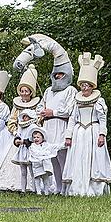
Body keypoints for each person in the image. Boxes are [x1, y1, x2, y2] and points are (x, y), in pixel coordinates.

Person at [62, 53, 111, 197]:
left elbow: (103, 119)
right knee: (78, 158)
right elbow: (72, 119)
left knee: (94, 158)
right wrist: (68, 135)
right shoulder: (76, 100)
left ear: (92, 86)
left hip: (93, 131)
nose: (84, 88)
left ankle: (94, 188)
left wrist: (102, 134)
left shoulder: (99, 101)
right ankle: (77, 188)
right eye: (82, 85)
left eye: (87, 86)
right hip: (79, 133)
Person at [37, 66, 78, 195]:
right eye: (56, 74)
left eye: (61, 74)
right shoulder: (48, 91)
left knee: (62, 157)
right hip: (48, 126)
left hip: (60, 124)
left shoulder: (71, 90)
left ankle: (68, 188)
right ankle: (58, 187)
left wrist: (53, 112)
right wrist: (41, 112)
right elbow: (40, 105)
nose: (58, 76)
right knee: (52, 158)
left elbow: (70, 110)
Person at [11, 108, 39, 194]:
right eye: (23, 116)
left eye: (26, 116)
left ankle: (34, 189)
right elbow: (18, 135)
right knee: (23, 172)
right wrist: (16, 140)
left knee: (32, 171)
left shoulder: (33, 126)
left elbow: (34, 138)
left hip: (29, 150)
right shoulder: (21, 127)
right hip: (22, 150)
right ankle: (23, 189)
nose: (24, 118)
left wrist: (25, 141)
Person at [27, 125, 58, 195]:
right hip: (37, 165)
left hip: (45, 165)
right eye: (34, 137)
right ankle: (38, 191)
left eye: (38, 137)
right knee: (37, 178)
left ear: (42, 138)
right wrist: (45, 154)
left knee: (46, 179)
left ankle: (46, 191)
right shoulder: (32, 146)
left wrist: (63, 144)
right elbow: (36, 153)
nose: (36, 139)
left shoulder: (46, 145)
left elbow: (55, 147)